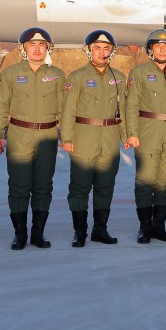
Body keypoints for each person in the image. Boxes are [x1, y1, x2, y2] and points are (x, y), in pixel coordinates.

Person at [0, 27, 64, 250]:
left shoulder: (58, 75)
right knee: (19, 186)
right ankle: (20, 234)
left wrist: (67, 136)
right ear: (23, 49)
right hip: (19, 135)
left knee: (43, 186)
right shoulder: (11, 74)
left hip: (47, 135)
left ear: (47, 48)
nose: (37, 49)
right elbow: (1, 107)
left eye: (42, 45)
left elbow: (64, 110)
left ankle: (38, 234)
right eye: (32, 45)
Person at [125, 29, 166, 244]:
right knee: (145, 180)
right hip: (147, 130)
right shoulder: (139, 72)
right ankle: (144, 227)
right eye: (158, 46)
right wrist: (132, 133)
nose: (163, 49)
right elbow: (131, 105)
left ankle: (159, 226)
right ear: (150, 49)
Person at [61, 30, 127, 247]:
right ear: (88, 51)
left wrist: (126, 135)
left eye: (106, 48)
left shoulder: (118, 77)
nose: (102, 52)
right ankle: (80, 232)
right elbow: (68, 111)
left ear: (112, 52)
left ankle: (100, 230)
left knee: (105, 186)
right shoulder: (77, 77)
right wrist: (67, 137)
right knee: (80, 187)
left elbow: (123, 110)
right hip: (84, 136)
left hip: (109, 138)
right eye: (97, 48)